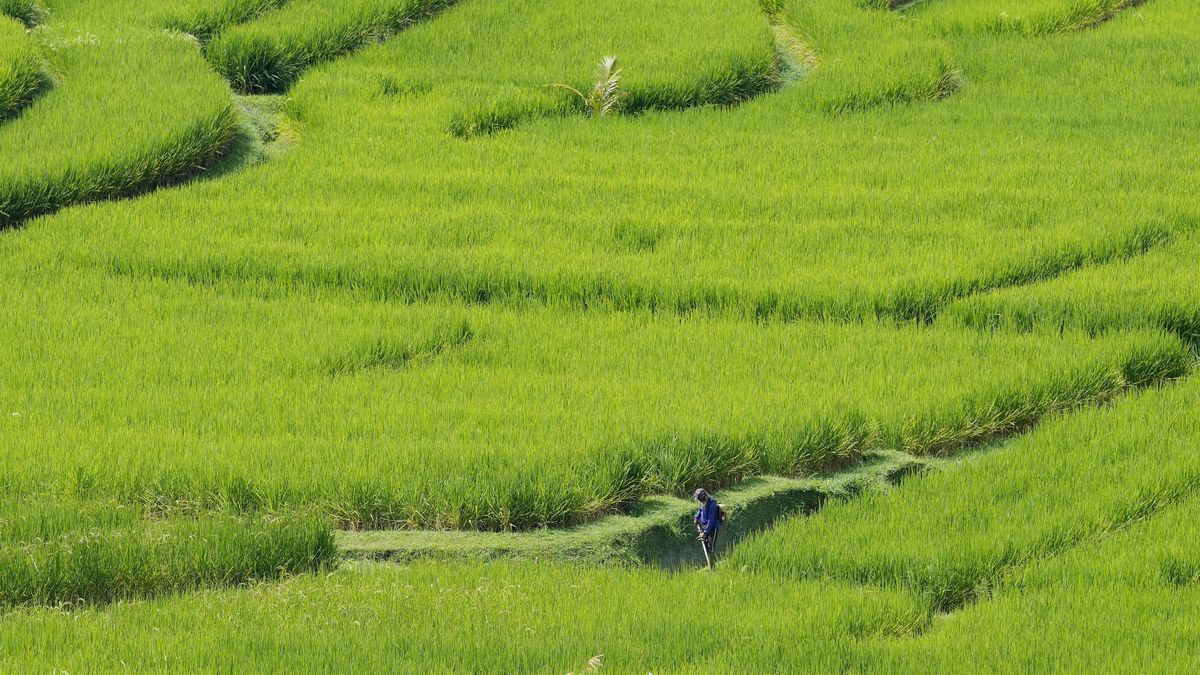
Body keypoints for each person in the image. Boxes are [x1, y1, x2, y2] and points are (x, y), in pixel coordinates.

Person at [693, 488, 721, 565]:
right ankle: (709, 562)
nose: (701, 501)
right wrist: (696, 517)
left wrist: (705, 532)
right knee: (705, 546)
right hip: (705, 526)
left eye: (701, 500)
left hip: (713, 528)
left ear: (705, 496)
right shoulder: (702, 502)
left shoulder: (712, 505)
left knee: (710, 547)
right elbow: (700, 510)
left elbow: (711, 520)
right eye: (699, 500)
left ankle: (712, 565)